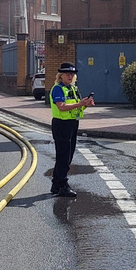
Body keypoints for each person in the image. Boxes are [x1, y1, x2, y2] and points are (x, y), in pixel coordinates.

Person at [50, 62, 94, 197]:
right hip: (61, 124)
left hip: (72, 124)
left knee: (68, 155)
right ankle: (63, 185)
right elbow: (61, 107)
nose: (70, 76)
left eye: (72, 74)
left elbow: (77, 107)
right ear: (61, 75)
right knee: (63, 156)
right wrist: (80, 103)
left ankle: (56, 184)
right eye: (67, 74)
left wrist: (85, 104)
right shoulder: (58, 89)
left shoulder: (73, 89)